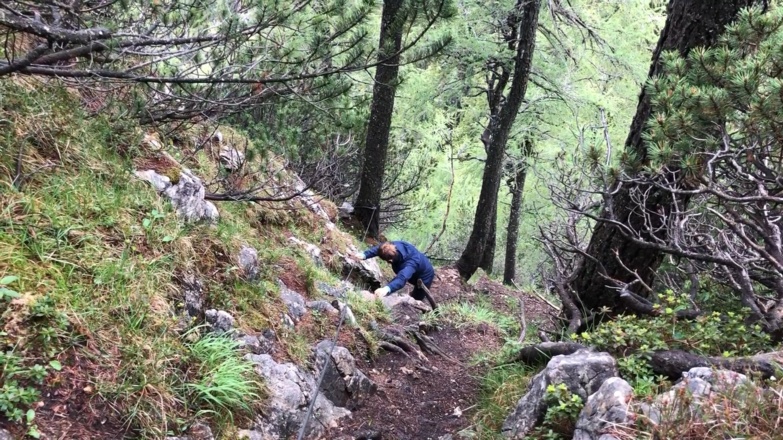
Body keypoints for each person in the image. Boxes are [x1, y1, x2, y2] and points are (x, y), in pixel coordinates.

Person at [355, 241, 436, 306]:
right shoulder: (391, 247)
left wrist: (386, 289)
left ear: (390, 261)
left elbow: (402, 278)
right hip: (416, 269)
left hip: (425, 275)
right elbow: (378, 249)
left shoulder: (411, 263)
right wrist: (364, 255)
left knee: (417, 298)